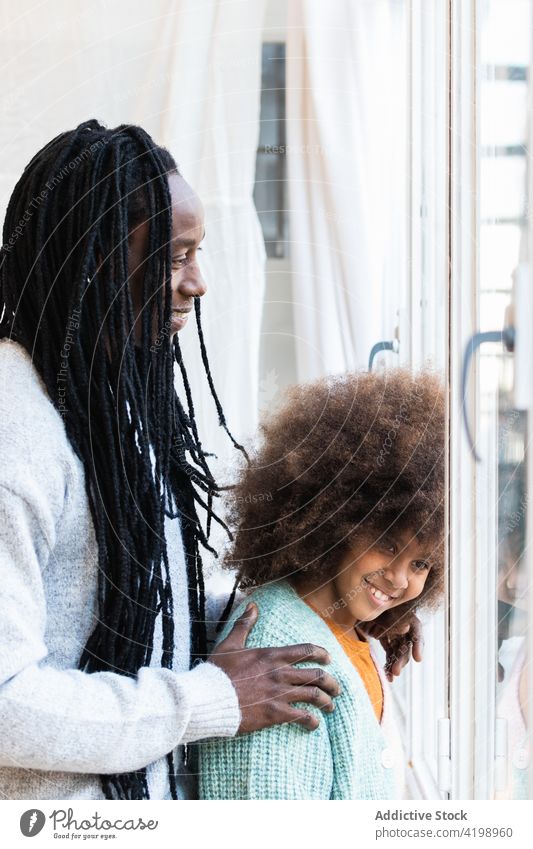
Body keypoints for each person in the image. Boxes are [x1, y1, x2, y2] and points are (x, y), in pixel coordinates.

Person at [0, 119, 418, 801]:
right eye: (173, 256)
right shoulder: (14, 435)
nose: (196, 281)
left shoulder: (112, 404)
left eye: (198, 253)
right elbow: (7, 704)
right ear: (94, 259)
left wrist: (334, 610)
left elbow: (143, 604)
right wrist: (207, 697)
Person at [199, 369, 445, 799]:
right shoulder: (277, 651)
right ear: (332, 519)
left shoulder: (353, 629)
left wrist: (391, 614)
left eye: (422, 563)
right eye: (387, 545)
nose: (400, 578)